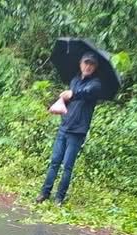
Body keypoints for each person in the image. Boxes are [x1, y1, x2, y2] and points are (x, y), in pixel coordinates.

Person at [37, 53, 106, 206]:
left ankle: (59, 198)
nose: (88, 66)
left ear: (95, 67)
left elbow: (86, 93)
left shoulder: (95, 84)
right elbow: (69, 102)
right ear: (80, 64)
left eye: (91, 64)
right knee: (54, 162)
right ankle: (44, 193)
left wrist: (72, 93)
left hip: (77, 132)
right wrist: (58, 104)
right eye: (85, 63)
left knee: (67, 166)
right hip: (64, 127)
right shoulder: (74, 80)